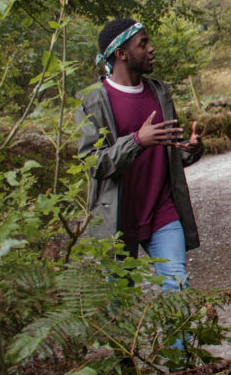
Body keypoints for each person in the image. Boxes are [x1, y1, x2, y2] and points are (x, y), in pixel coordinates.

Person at [77, 18, 204, 293]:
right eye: (143, 44)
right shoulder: (93, 102)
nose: (151, 49)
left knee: (177, 287)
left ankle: (177, 339)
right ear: (122, 53)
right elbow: (93, 163)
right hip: (117, 220)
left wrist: (189, 149)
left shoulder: (159, 91)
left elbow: (170, 151)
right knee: (118, 304)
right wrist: (136, 141)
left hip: (162, 210)